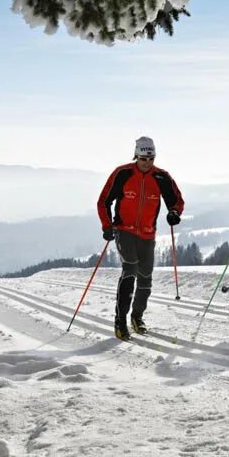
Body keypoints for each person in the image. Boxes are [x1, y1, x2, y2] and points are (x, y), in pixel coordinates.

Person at [96, 136, 185, 341]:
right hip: (124, 230)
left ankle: (137, 317)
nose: (147, 163)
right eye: (144, 158)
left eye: (151, 159)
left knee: (145, 277)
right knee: (130, 270)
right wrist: (107, 225)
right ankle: (120, 320)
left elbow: (177, 201)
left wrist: (174, 213)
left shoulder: (162, 177)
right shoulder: (123, 173)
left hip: (147, 233)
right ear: (136, 155)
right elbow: (103, 202)